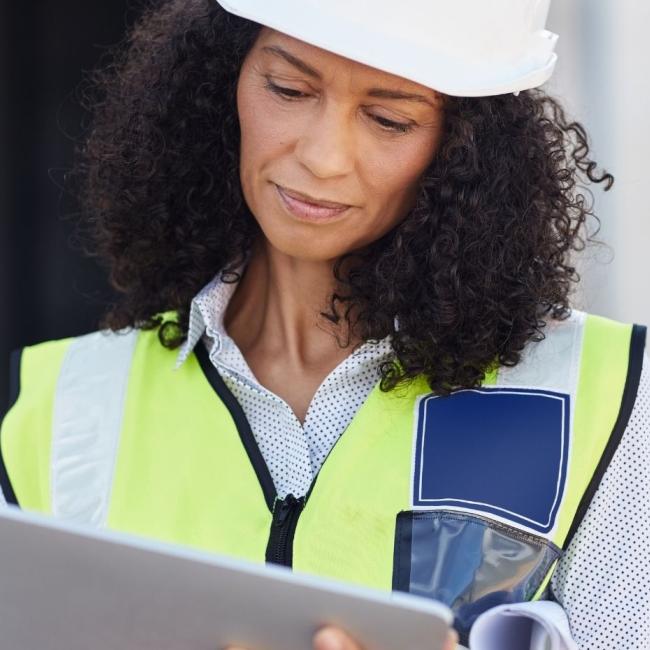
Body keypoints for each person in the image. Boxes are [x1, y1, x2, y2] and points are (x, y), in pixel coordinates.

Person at [1, 1, 648, 648]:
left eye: (390, 119)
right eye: (288, 89)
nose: (324, 157)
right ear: (220, 78)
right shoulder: (62, 407)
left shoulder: (605, 398)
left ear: (467, 144)